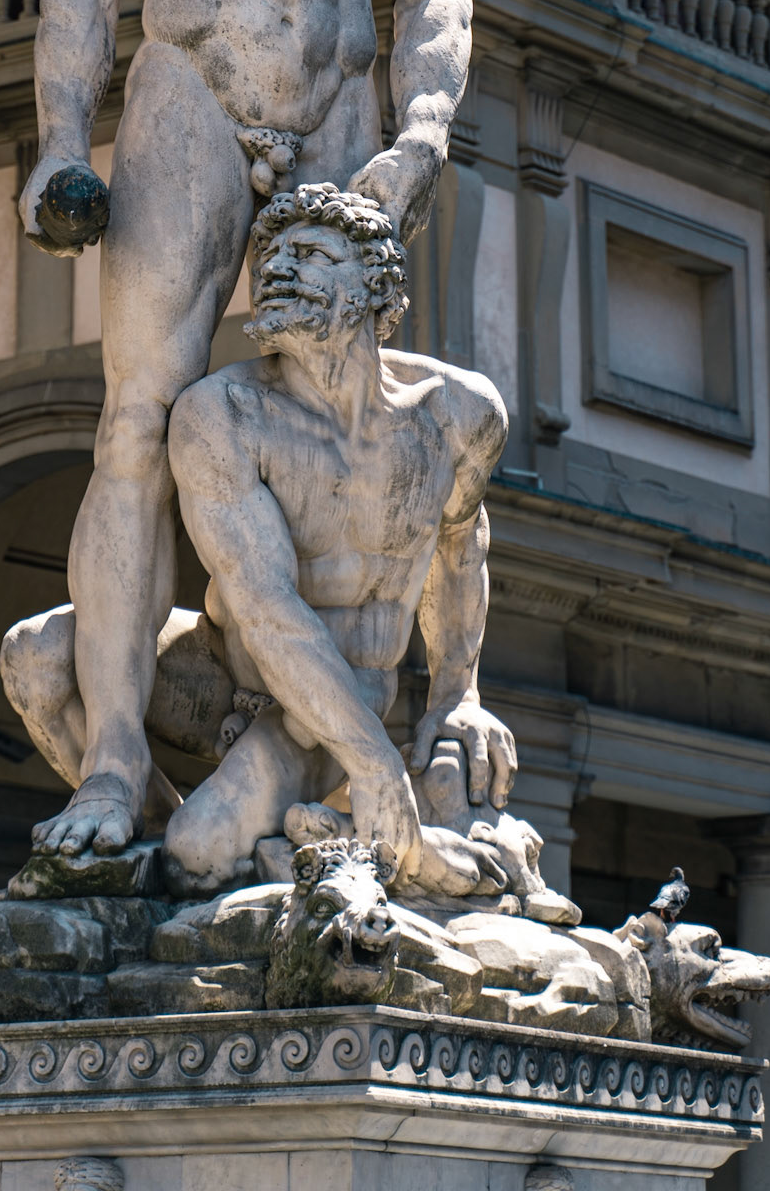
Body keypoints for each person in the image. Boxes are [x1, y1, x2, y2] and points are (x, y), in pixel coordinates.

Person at [18, 0, 473, 858]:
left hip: (338, 106)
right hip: (193, 97)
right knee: (136, 421)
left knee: (352, 418)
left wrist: (424, 132)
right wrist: (60, 143)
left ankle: (360, 739)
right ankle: (111, 761)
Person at [159, 182, 514, 897]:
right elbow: (263, 606)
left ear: (377, 286)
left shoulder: (457, 414)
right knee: (37, 655)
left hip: (327, 702)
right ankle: (143, 841)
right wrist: (379, 768)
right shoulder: (224, 413)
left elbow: (460, 543)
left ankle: (303, 838)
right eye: (272, 258)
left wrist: (457, 695)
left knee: (199, 850)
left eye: (313, 254)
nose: (280, 269)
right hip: (226, 665)